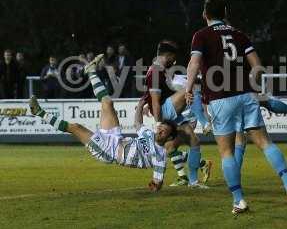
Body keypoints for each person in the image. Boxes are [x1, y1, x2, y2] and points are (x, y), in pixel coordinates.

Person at [185, 0, 287, 214]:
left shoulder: (201, 35)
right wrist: (253, 88)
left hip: (220, 99)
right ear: (225, 13)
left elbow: (194, 62)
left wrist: (188, 88)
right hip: (246, 95)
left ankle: (239, 200)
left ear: (205, 14)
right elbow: (257, 66)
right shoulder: (239, 35)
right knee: (265, 143)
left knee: (226, 152)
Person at [29, 54, 177, 191]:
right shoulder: (149, 134)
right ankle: (91, 70)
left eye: (163, 131)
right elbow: (138, 124)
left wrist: (153, 186)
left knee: (75, 127)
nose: (160, 131)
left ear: (169, 138)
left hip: (108, 151)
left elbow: (157, 183)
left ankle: (39, 112)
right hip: (116, 138)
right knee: (107, 102)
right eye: (160, 128)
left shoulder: (160, 156)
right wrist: (140, 103)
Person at [143, 40, 212, 188]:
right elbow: (156, 101)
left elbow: (155, 95)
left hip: (170, 111)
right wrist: (158, 124)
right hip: (165, 112)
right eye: (172, 57)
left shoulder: (159, 70)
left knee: (194, 142)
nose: (174, 61)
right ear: (166, 55)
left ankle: (193, 182)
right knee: (189, 89)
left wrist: (145, 104)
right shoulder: (155, 72)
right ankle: (205, 122)